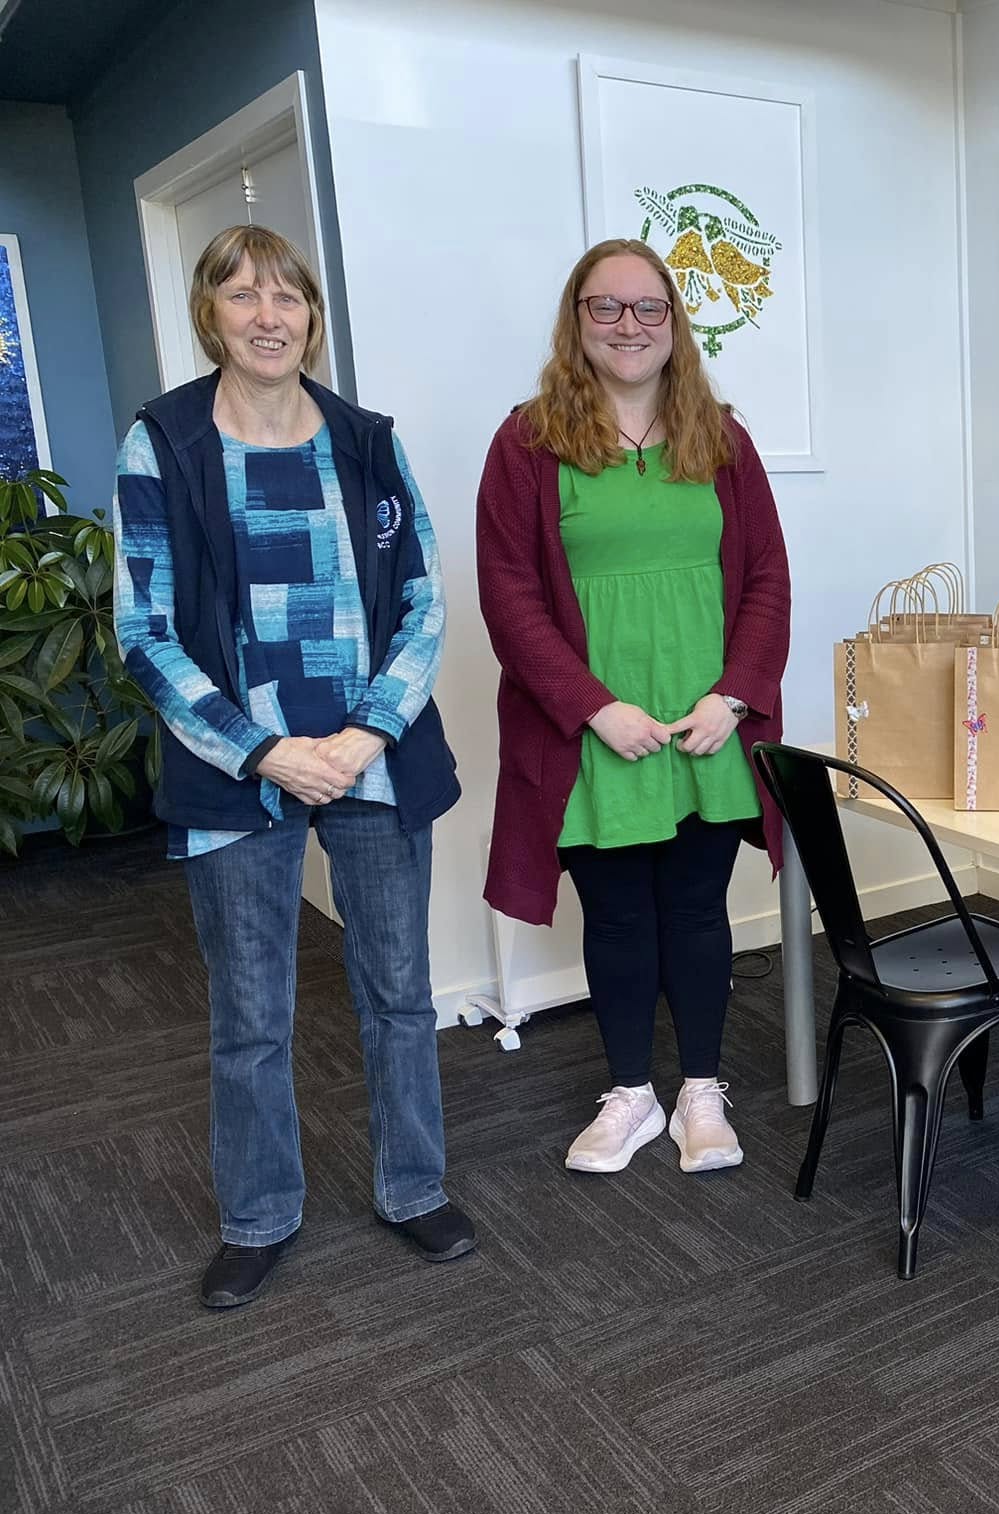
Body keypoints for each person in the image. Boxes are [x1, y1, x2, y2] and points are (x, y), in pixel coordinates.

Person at [111, 225, 470, 1309]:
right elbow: (144, 627)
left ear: (312, 314)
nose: (268, 316)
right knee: (251, 1011)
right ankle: (258, 1216)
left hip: (369, 755)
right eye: (240, 295)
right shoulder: (163, 442)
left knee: (398, 993)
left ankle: (414, 1188)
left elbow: (424, 600)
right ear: (208, 314)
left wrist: (365, 735)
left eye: (288, 296)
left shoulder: (365, 440)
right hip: (238, 765)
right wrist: (265, 748)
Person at [476, 237, 790, 1178]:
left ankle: (700, 1090)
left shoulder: (723, 438)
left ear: (674, 323)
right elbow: (508, 595)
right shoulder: (527, 442)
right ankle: (629, 1094)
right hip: (593, 736)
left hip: (706, 729)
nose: (628, 325)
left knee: (697, 912)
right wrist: (591, 707)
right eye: (605, 307)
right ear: (577, 322)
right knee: (614, 919)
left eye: (648, 307)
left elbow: (768, 581)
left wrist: (734, 697)